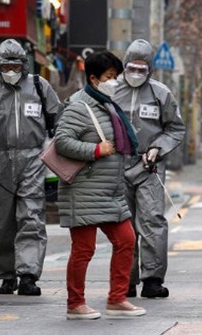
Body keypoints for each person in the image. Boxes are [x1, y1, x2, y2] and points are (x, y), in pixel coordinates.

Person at [53, 50, 144, 320]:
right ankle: (75, 303)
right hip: (84, 189)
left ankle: (117, 299)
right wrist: (95, 150)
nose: (114, 82)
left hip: (109, 190)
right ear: (93, 79)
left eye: (115, 77)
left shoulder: (108, 104)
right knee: (84, 249)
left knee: (127, 240)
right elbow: (62, 141)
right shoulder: (79, 106)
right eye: (109, 77)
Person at [0, 39, 61, 296]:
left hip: (33, 159)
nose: (11, 70)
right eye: (6, 65)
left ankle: (28, 275)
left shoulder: (38, 86)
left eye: (15, 65)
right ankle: (7, 275)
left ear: (24, 65)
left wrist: (54, 150)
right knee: (0, 224)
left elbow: (59, 119)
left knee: (31, 218)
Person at [112, 39, 185, 299]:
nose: (136, 74)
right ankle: (126, 280)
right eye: (132, 68)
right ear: (124, 66)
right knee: (123, 224)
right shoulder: (110, 92)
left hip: (149, 166)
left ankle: (153, 279)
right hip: (117, 165)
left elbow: (175, 128)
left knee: (153, 221)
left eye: (142, 70)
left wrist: (158, 148)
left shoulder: (161, 93)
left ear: (150, 69)